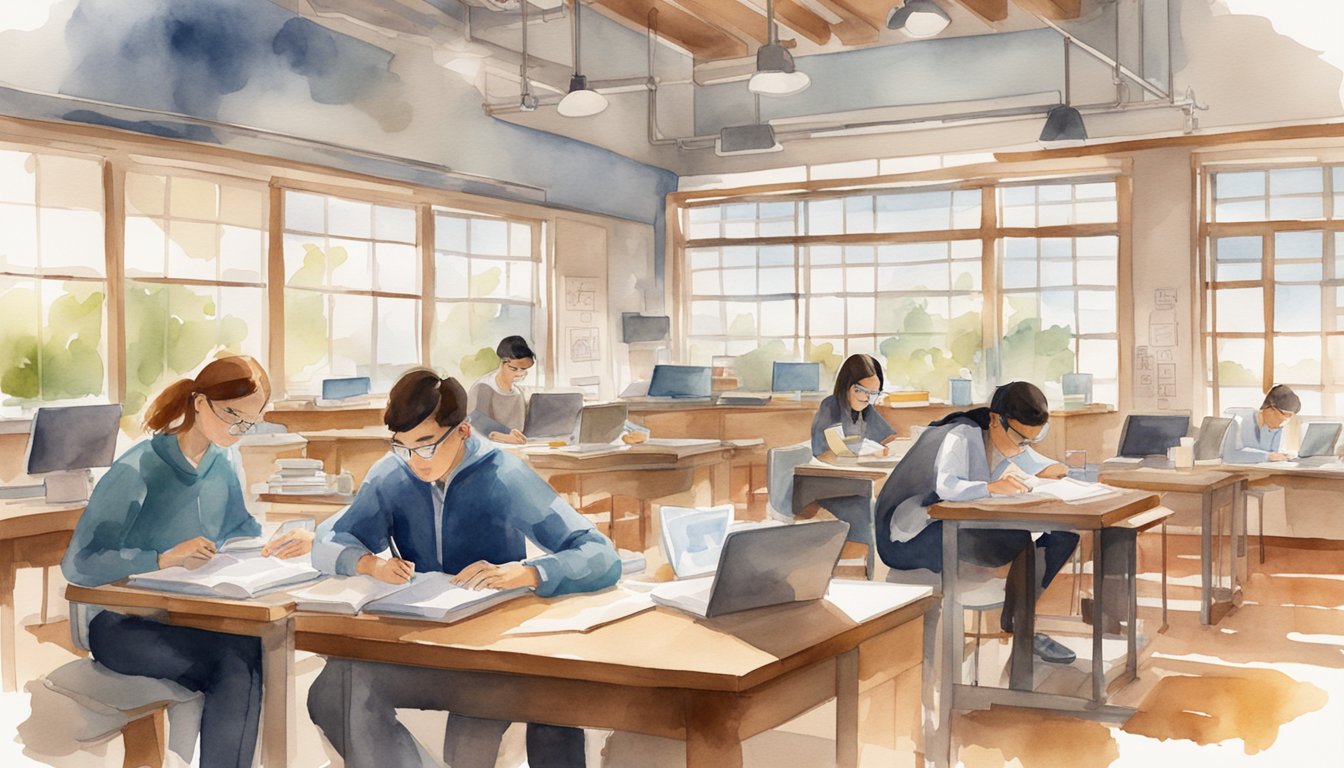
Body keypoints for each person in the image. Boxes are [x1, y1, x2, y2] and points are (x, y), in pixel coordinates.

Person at [307, 368, 621, 768]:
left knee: (528, 714)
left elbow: (600, 553)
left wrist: (529, 573)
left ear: (462, 431)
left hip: (491, 655)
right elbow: (327, 540)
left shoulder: (503, 474)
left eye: (425, 444)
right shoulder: (392, 473)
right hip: (419, 644)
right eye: (401, 446)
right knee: (333, 688)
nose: (414, 461)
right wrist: (367, 563)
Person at [61, 355, 313, 768]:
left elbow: (240, 528)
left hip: (193, 616)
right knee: (235, 664)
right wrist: (160, 558)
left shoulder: (221, 463)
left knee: (249, 651)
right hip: (122, 625)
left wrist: (274, 543)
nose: (237, 430)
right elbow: (80, 563)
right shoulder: (139, 467)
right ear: (199, 402)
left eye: (248, 422)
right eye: (233, 414)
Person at [872, 381, 1080, 664]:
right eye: (1021, 438)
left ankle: (1019, 620)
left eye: (1031, 440)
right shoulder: (960, 434)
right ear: (995, 419)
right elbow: (946, 486)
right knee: (1018, 540)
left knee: (1064, 537)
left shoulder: (1003, 436)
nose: (1023, 447)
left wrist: (1060, 472)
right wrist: (993, 488)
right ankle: (1020, 626)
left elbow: (1035, 461)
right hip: (909, 535)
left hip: (950, 525)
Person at [810, 353, 899, 458]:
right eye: (861, 390)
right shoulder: (830, 407)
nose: (868, 398)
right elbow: (822, 453)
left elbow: (888, 437)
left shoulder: (867, 407)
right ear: (846, 386)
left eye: (874, 393)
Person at [467, 335, 535, 444]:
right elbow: (479, 423)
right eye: (513, 369)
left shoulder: (517, 392)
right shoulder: (484, 387)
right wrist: (506, 437)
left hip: (514, 446)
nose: (519, 373)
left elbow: (518, 429)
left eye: (523, 369)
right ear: (502, 363)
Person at [1222, 384, 1301, 463]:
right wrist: (1267, 456)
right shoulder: (1241, 420)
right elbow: (1229, 455)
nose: (1286, 420)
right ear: (1270, 407)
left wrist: (1281, 457)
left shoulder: (1276, 429)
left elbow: (1273, 455)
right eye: (1286, 415)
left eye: (1290, 417)